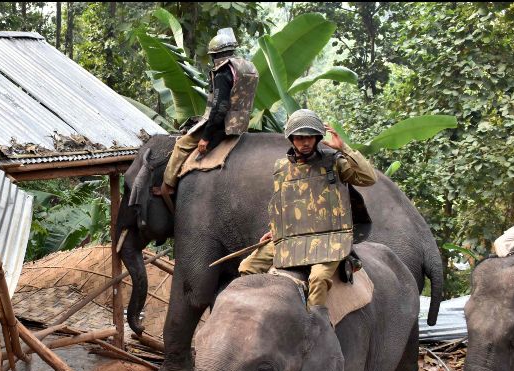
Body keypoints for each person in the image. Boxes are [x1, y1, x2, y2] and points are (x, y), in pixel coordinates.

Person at [238, 109, 377, 326]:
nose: (305, 142)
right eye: (300, 137)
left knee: (318, 278)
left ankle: (316, 328)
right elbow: (284, 203)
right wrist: (277, 230)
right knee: (247, 267)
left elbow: (368, 178)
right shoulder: (281, 169)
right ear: (292, 139)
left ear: (317, 138)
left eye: (309, 137)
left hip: (328, 239)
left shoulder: (334, 162)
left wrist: (345, 149)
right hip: (292, 238)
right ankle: (252, 320)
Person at [160, 28, 259, 196]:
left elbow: (219, 108)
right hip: (241, 123)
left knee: (181, 145)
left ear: (215, 55)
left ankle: (168, 187)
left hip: (222, 125)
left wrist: (205, 137)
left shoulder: (223, 72)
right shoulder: (245, 66)